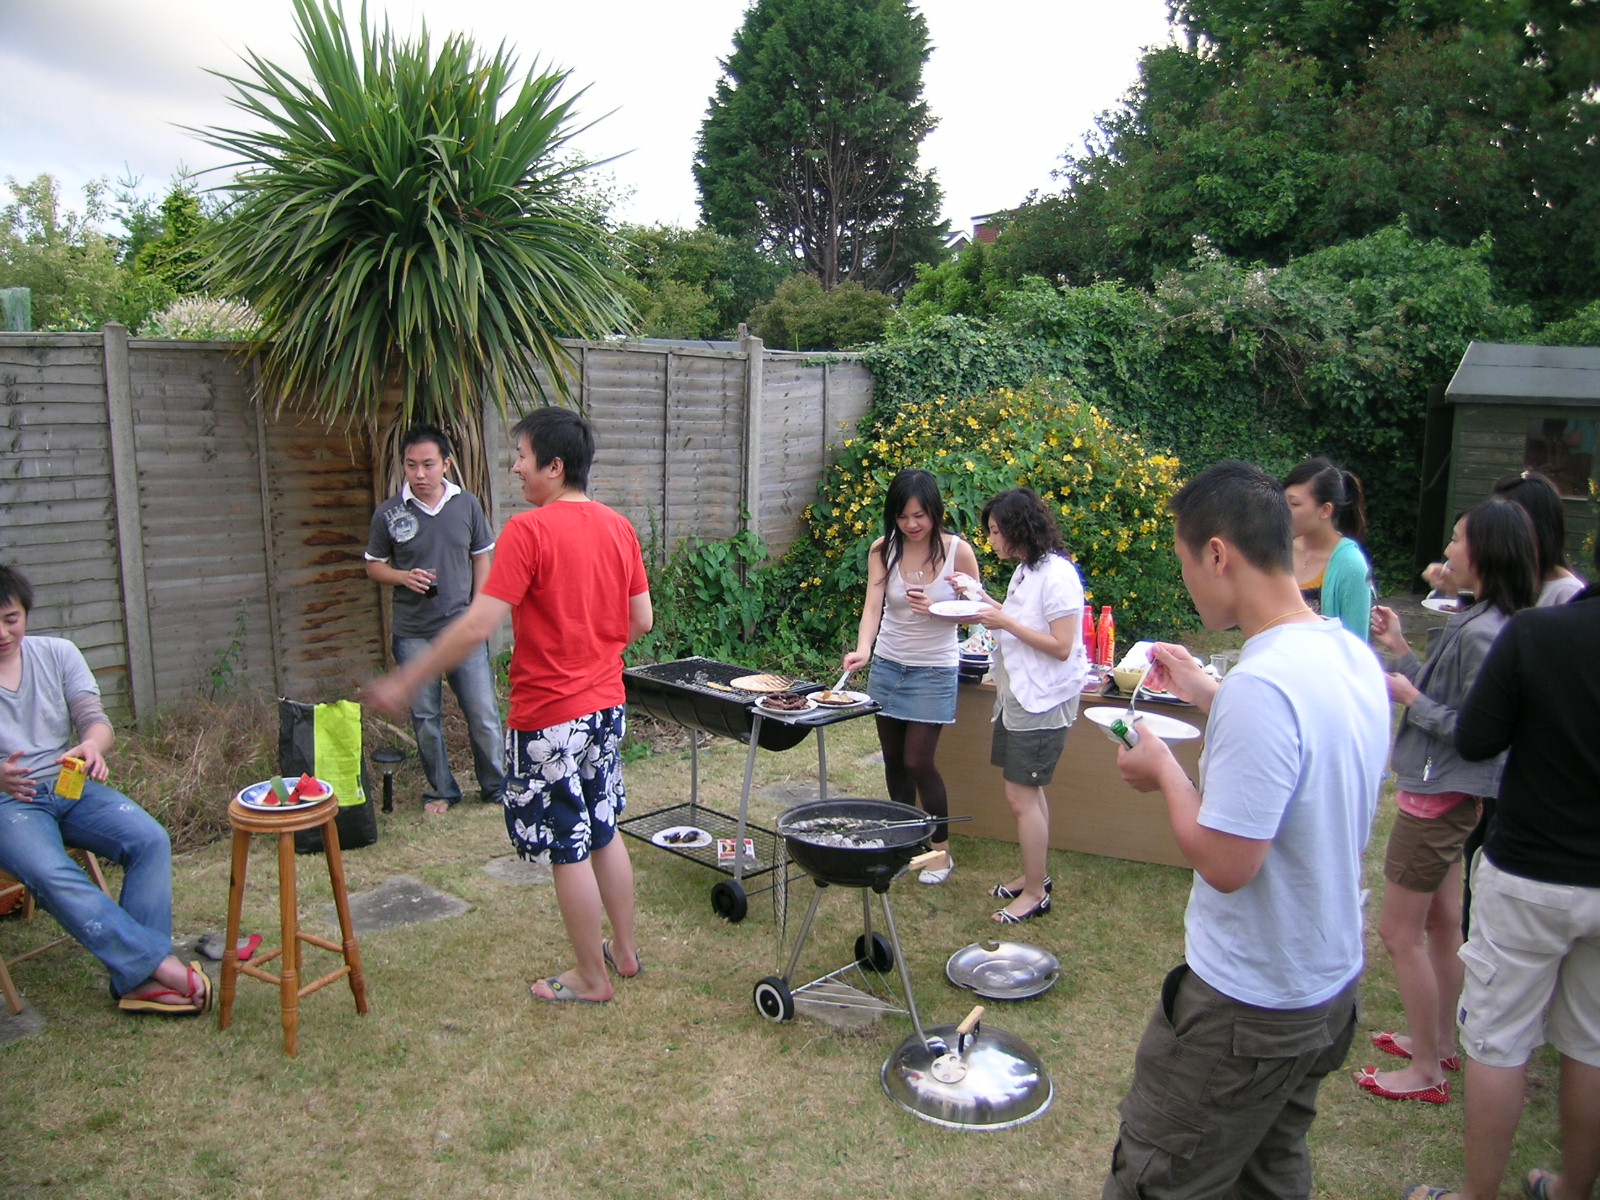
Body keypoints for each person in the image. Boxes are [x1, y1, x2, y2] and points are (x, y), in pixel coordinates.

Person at [1104, 461, 1390, 1200]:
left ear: (1219, 554)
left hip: (1249, 1008)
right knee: (1270, 1166)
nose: (1188, 582)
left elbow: (1228, 862)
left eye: (1184, 562)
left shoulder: (1263, 688)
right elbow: (1300, 748)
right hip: (1326, 986)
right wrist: (1204, 690)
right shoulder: (1346, 654)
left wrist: (1165, 772)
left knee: (1159, 1178)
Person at [365, 408, 651, 1004]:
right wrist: (593, 649)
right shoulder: (619, 527)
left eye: (522, 455)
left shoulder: (529, 531)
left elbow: (477, 625)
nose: (515, 466)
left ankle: (591, 978)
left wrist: (407, 676)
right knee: (604, 827)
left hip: (549, 714)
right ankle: (622, 954)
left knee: (568, 843)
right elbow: (641, 620)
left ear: (554, 465)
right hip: (604, 707)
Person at [1401, 534, 1600, 1200]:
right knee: (1592, 1043)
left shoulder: (1541, 632)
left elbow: (1480, 737)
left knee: (1498, 1039)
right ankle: (1573, 1188)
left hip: (1532, 872)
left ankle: (1477, 1195)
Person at [1359, 501, 1538, 1104]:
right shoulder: (1479, 615)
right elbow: (1446, 692)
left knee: (1397, 932)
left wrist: (1410, 696)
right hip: (1444, 791)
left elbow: (1477, 730)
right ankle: (1435, 1043)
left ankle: (1427, 1074)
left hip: (1439, 797)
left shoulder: (1488, 631)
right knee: (1440, 924)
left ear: (1485, 552)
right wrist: (1403, 650)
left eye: (1458, 539)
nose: (1449, 550)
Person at [0, 565, 210, 1015]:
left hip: (67, 779)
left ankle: (135, 979)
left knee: (149, 839)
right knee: (53, 872)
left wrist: (92, 747)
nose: (3, 632)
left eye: (10, 619)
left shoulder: (57, 653)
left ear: (25, 614)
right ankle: (158, 967)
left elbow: (94, 719)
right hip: (9, 802)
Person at [840, 469, 981, 885]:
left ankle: (940, 851)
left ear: (936, 511)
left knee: (918, 760)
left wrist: (938, 610)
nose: (912, 525)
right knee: (893, 761)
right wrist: (864, 649)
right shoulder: (884, 549)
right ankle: (902, 842)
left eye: (920, 515)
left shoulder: (959, 552)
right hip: (888, 664)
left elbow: (981, 616)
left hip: (935, 668)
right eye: (903, 517)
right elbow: (873, 607)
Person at [959, 488, 1086, 924]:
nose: (991, 541)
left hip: (1043, 700)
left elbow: (1062, 646)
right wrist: (981, 600)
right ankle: (1037, 876)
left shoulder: (1058, 575)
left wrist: (1003, 619)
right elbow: (1016, 621)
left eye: (996, 532)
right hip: (1018, 695)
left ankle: (1035, 893)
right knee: (1029, 793)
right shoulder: (1026, 570)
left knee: (1020, 796)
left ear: (1018, 529)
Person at [365, 424, 506, 815]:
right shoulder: (389, 513)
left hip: (462, 628)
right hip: (413, 633)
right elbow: (373, 566)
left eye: (428, 464)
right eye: (412, 466)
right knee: (426, 719)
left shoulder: (467, 505)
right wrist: (401, 576)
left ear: (446, 463)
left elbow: (481, 555)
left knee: (483, 713)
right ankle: (442, 791)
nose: (420, 474)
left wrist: (480, 607)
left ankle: (496, 786)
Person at [1283, 456, 1373, 638]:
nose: (1284, 510)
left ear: (1325, 510)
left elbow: (1355, 646)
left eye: (1294, 504)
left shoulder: (1351, 565)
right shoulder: (1280, 550)